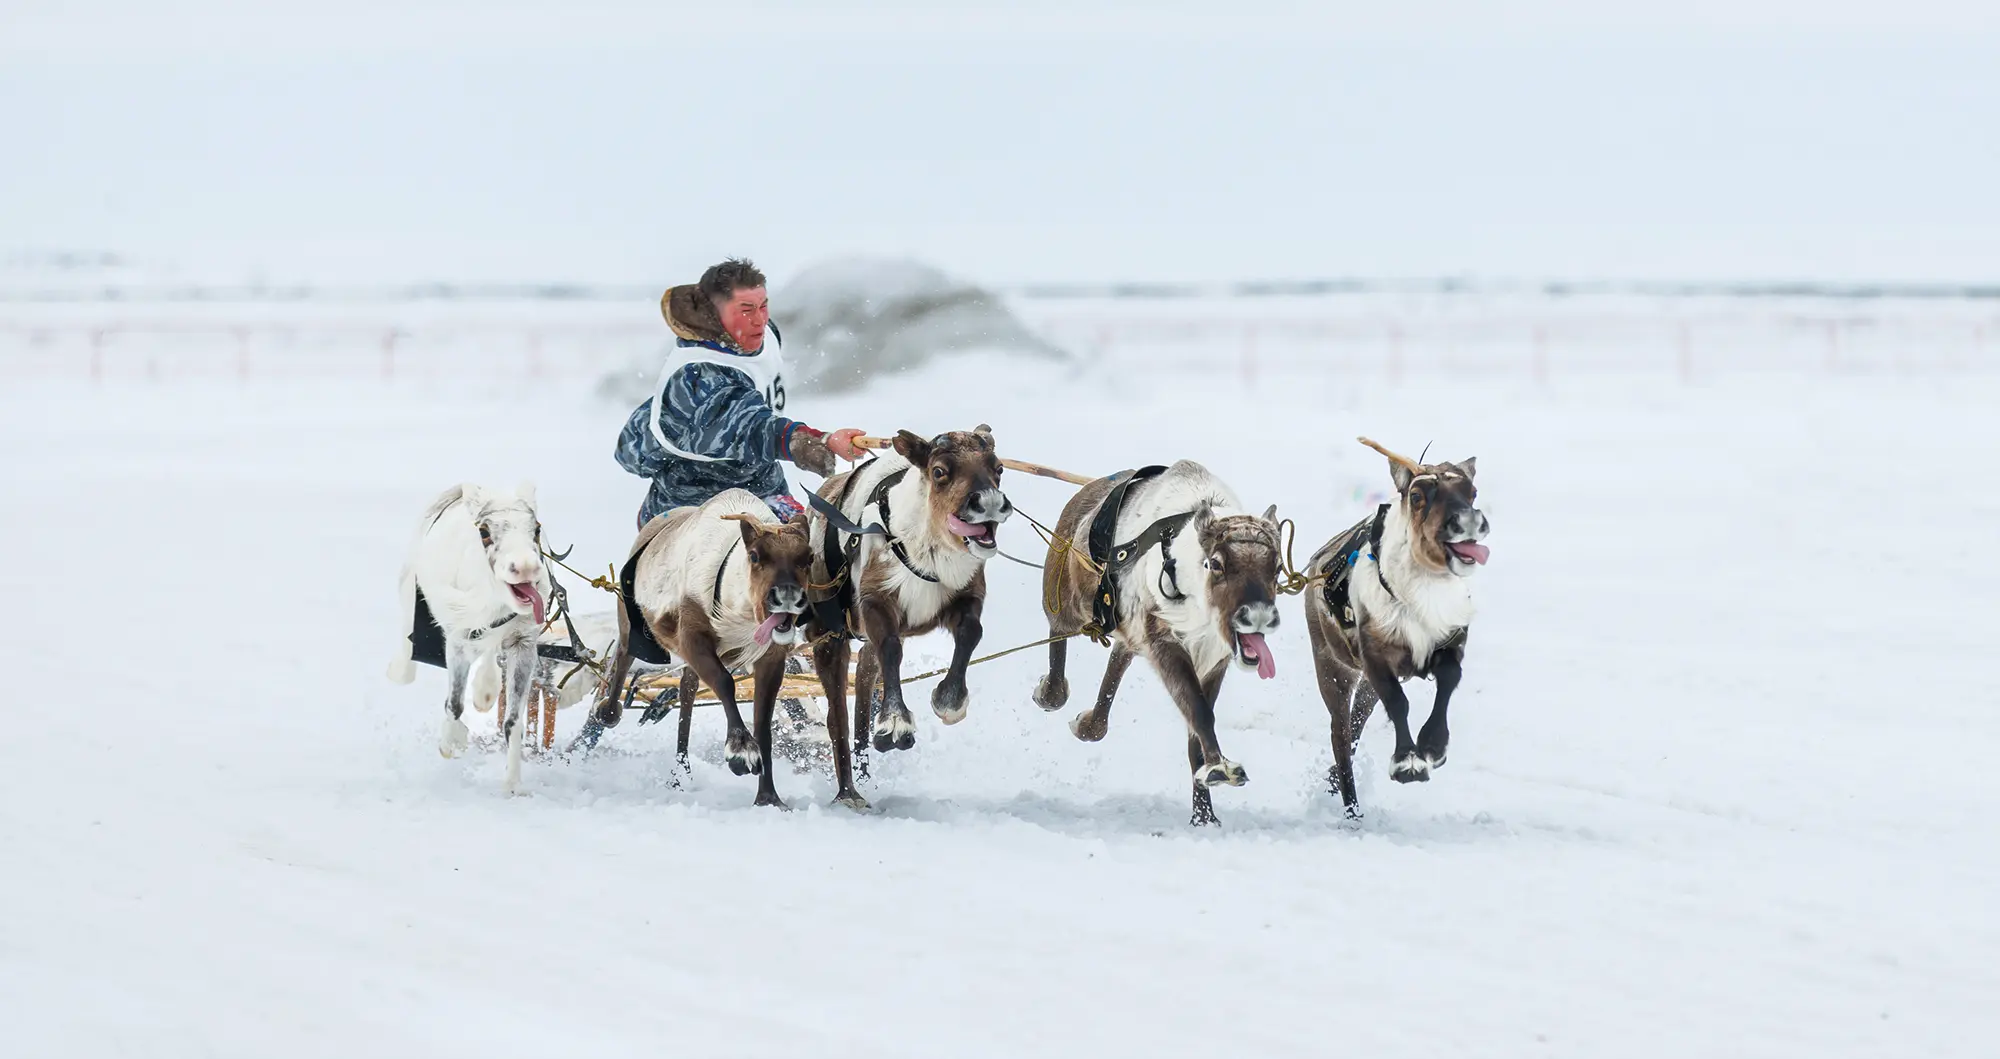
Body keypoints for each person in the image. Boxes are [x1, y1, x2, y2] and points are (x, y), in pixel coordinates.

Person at [616, 259, 865, 527]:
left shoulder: (765, 335)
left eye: (763, 306)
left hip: (762, 485)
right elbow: (750, 427)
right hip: (694, 504)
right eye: (746, 310)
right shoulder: (699, 373)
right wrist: (815, 442)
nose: (759, 320)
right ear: (713, 312)